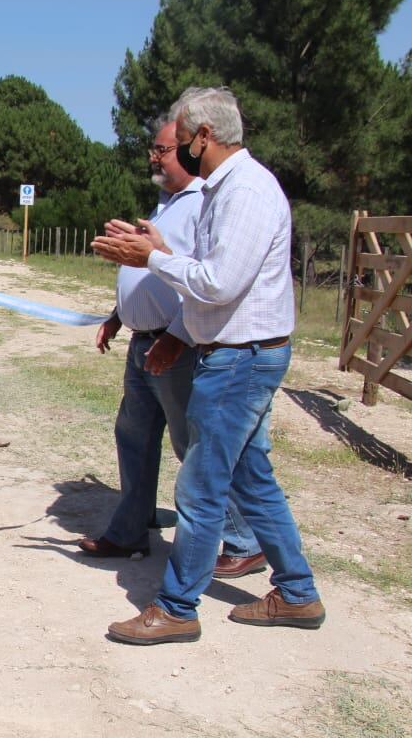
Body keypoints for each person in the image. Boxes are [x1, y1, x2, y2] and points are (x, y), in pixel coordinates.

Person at [92, 87, 324, 645]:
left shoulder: (244, 191)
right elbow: (209, 267)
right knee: (252, 479)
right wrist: (160, 247)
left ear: (203, 137)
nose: (169, 152)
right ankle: (297, 593)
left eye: (180, 137)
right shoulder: (227, 189)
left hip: (240, 358)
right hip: (237, 354)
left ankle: (176, 606)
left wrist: (150, 258)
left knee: (199, 487)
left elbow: (220, 284)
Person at [79, 121, 261, 573]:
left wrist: (176, 337)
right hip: (144, 345)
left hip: (176, 347)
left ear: (187, 150)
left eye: (162, 150)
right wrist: (119, 314)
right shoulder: (167, 206)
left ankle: (243, 541)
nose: (153, 157)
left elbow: (204, 281)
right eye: (153, 149)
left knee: (194, 446)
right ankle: (129, 531)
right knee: (134, 439)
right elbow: (151, 270)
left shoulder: (205, 205)